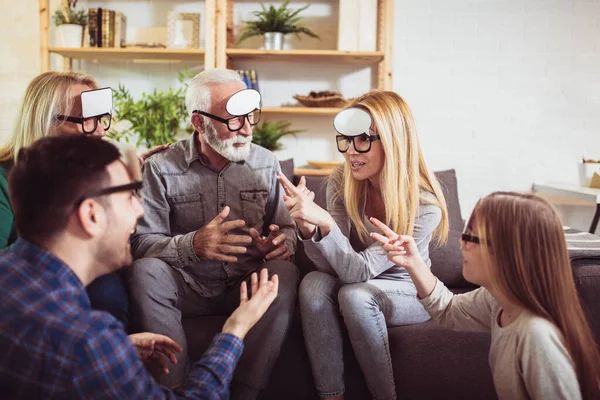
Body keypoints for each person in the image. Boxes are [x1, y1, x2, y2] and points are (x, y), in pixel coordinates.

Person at [0, 134, 280, 399]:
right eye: (131, 195)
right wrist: (234, 330)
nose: (140, 210)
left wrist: (119, 348)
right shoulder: (88, 341)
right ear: (91, 215)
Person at [128, 68, 299, 398]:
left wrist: (280, 244)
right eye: (234, 120)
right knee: (145, 271)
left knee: (284, 273)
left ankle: (246, 392)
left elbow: (288, 227)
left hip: (242, 286)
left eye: (251, 117)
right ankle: (176, 390)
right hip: (186, 285)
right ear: (198, 122)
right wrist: (192, 245)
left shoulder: (266, 163)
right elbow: (140, 242)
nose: (247, 129)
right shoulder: (161, 166)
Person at [277, 90, 449, 400]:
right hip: (354, 276)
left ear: (394, 142)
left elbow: (358, 274)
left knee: (356, 295)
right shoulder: (343, 181)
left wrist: (325, 224)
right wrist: (307, 226)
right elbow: (328, 266)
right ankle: (332, 397)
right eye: (346, 139)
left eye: (364, 141)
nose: (351, 152)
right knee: (314, 283)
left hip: (408, 289)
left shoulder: (425, 205)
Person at [371, 192, 600, 399]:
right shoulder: (499, 301)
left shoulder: (536, 336)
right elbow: (449, 310)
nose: (461, 243)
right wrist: (413, 262)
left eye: (471, 238)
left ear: (508, 252)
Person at [0, 71, 168, 327]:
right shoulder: (4, 177)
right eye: (88, 120)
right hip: (29, 288)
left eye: (102, 119)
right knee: (104, 291)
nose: (100, 132)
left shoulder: (92, 171)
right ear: (45, 122)